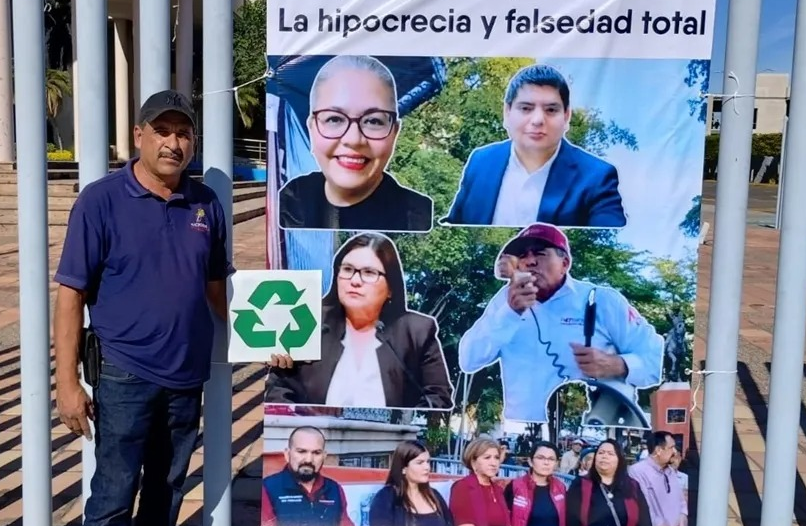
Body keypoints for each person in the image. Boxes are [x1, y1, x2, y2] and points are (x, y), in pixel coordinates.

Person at [52, 90, 233, 526]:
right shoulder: (100, 201)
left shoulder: (206, 203)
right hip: (124, 374)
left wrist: (269, 338)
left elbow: (218, 291)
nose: (173, 143)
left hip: (186, 377)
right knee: (113, 497)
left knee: (165, 495)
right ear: (139, 136)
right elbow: (71, 294)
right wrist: (67, 383)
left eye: (183, 133)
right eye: (162, 131)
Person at [457, 223, 663, 424]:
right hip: (523, 431)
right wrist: (510, 313)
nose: (530, 261)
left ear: (564, 263)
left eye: (540, 253)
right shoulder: (504, 301)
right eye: (522, 255)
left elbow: (654, 360)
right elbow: (468, 360)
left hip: (587, 433)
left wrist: (618, 365)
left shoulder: (600, 300)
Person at [266, 232, 454, 410]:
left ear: (390, 288)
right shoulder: (309, 321)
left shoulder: (417, 332)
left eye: (369, 272)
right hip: (312, 432)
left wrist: (403, 424)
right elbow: (279, 389)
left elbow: (438, 398)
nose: (355, 280)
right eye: (347, 269)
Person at [441, 64, 626, 229]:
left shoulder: (597, 177)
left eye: (551, 110)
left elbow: (608, 243)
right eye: (526, 108)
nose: (537, 120)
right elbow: (455, 227)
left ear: (566, 116)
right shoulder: (481, 161)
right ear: (507, 112)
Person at [278, 55, 433, 232]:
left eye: (373, 121)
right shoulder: (291, 200)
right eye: (334, 119)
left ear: (394, 133)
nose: (353, 139)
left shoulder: (418, 219)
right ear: (312, 128)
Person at [261, 426, 356, 526]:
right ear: (287, 454)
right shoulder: (267, 488)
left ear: (324, 456)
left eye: (316, 453)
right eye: (301, 451)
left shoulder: (335, 489)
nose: (309, 460)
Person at [565, 441, 653, 526]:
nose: (604, 456)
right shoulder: (580, 484)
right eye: (601, 453)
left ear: (619, 459)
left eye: (610, 454)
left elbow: (644, 519)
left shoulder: (632, 485)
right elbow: (572, 519)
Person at [369, 440, 455, 526]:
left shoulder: (435, 496)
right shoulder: (385, 498)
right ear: (403, 468)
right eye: (420, 463)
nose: (427, 467)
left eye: (428, 461)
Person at [449, 437, 511, 526]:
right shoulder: (462, 487)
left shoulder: (498, 489)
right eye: (487, 458)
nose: (493, 463)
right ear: (473, 462)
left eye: (496, 458)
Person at [627, 432, 685, 526]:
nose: (675, 451)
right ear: (658, 450)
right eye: (671, 447)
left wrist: (683, 515)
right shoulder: (637, 471)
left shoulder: (670, 471)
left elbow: (681, 500)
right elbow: (642, 507)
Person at [504, 441, 567, 526]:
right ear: (530, 461)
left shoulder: (560, 487)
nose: (546, 463)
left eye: (551, 459)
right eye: (540, 458)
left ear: (556, 463)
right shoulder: (515, 486)